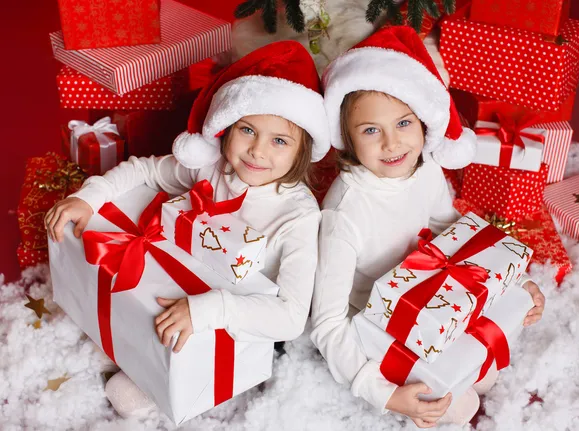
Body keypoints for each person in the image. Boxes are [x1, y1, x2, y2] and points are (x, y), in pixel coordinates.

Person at [45, 40, 330, 418]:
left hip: (238, 316)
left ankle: (157, 372)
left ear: (301, 150)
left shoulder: (298, 215)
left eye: (279, 140)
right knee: (135, 304)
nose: (258, 151)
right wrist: (90, 196)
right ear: (227, 127)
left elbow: (291, 317)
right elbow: (145, 169)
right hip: (182, 283)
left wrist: (207, 311)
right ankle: (130, 341)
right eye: (247, 130)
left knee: (138, 386)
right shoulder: (213, 168)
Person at [310, 26, 546, 428]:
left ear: (423, 123)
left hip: (430, 295)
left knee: (484, 374)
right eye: (370, 130)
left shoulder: (427, 170)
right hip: (376, 320)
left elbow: (452, 229)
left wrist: (514, 278)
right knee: (455, 406)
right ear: (347, 140)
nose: (391, 144)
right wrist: (382, 392)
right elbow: (327, 324)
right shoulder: (345, 213)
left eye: (403, 124)